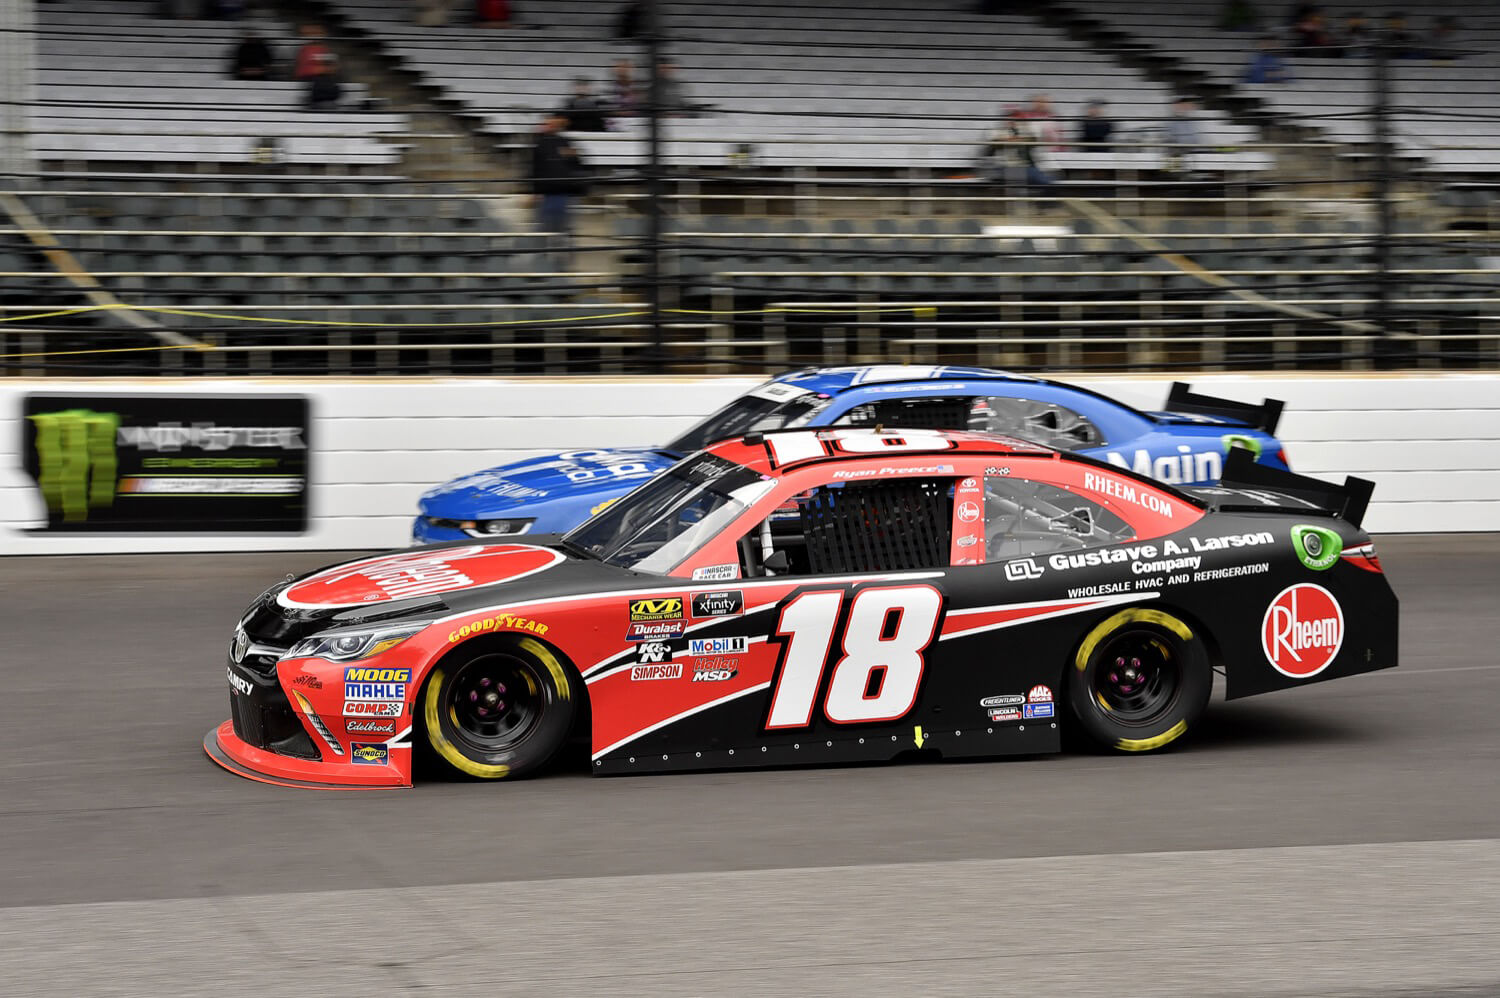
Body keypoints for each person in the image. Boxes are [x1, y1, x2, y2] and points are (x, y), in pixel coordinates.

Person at [530, 113, 587, 260]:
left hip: (565, 194)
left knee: (564, 229)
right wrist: (535, 192)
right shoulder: (539, 145)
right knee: (543, 229)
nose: (550, 126)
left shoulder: (567, 143)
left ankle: (564, 261)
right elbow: (535, 169)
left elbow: (577, 165)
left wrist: (578, 189)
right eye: (548, 123)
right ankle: (541, 261)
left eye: (553, 123)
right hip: (548, 194)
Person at [1163, 97, 1202, 167]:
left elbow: (1196, 139)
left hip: (1191, 149)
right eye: (1181, 106)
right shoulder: (1170, 121)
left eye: (1186, 106)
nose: (1184, 108)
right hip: (1178, 150)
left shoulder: (1192, 121)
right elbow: (1169, 137)